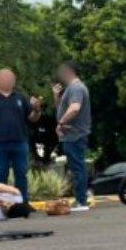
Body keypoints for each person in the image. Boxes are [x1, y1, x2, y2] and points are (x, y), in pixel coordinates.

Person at [0, 68, 42, 204]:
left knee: (21, 173)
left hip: (20, 141)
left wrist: (37, 109)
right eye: (3, 77)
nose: (7, 80)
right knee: (0, 174)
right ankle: (1, 204)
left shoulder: (21, 97)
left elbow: (33, 118)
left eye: (10, 77)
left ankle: (22, 204)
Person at [53, 61, 92, 211]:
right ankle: (81, 199)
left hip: (75, 134)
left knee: (77, 167)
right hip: (72, 135)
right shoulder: (71, 88)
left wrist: (61, 123)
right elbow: (62, 109)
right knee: (76, 167)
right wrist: (56, 96)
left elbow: (74, 108)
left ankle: (81, 201)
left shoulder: (76, 87)